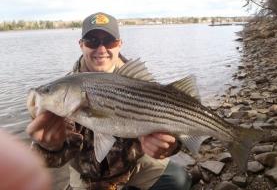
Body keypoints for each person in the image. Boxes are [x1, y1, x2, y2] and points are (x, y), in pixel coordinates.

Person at [26, 12, 192, 190]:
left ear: (119, 44)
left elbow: (174, 118)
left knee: (179, 181)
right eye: (92, 41)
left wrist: (170, 146)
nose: (101, 49)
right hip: (87, 179)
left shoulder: (141, 83)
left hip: (136, 168)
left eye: (109, 41)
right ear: (81, 45)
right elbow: (55, 159)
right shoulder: (64, 95)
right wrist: (50, 147)